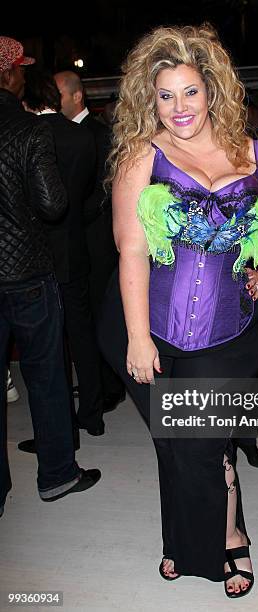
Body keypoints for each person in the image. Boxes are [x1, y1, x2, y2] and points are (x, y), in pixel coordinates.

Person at [98, 24, 258, 597]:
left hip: (228, 331)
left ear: (213, 90)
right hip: (145, 325)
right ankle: (186, 538)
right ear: (151, 100)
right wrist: (139, 339)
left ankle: (229, 532)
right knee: (177, 442)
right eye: (164, 95)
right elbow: (132, 248)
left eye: (190, 91)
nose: (178, 107)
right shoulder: (144, 156)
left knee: (201, 442)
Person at [0, 36, 101, 517]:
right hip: (27, 272)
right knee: (45, 375)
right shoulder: (29, 130)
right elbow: (53, 204)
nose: (23, 75)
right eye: (19, 68)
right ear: (9, 75)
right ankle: (58, 474)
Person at [54, 70, 125, 414]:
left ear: (76, 96)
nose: (54, 102)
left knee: (101, 312)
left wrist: (71, 219)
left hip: (97, 239)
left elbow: (106, 189)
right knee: (84, 317)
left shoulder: (99, 133)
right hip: (77, 239)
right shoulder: (60, 133)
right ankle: (96, 384)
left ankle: (109, 387)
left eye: (59, 95)